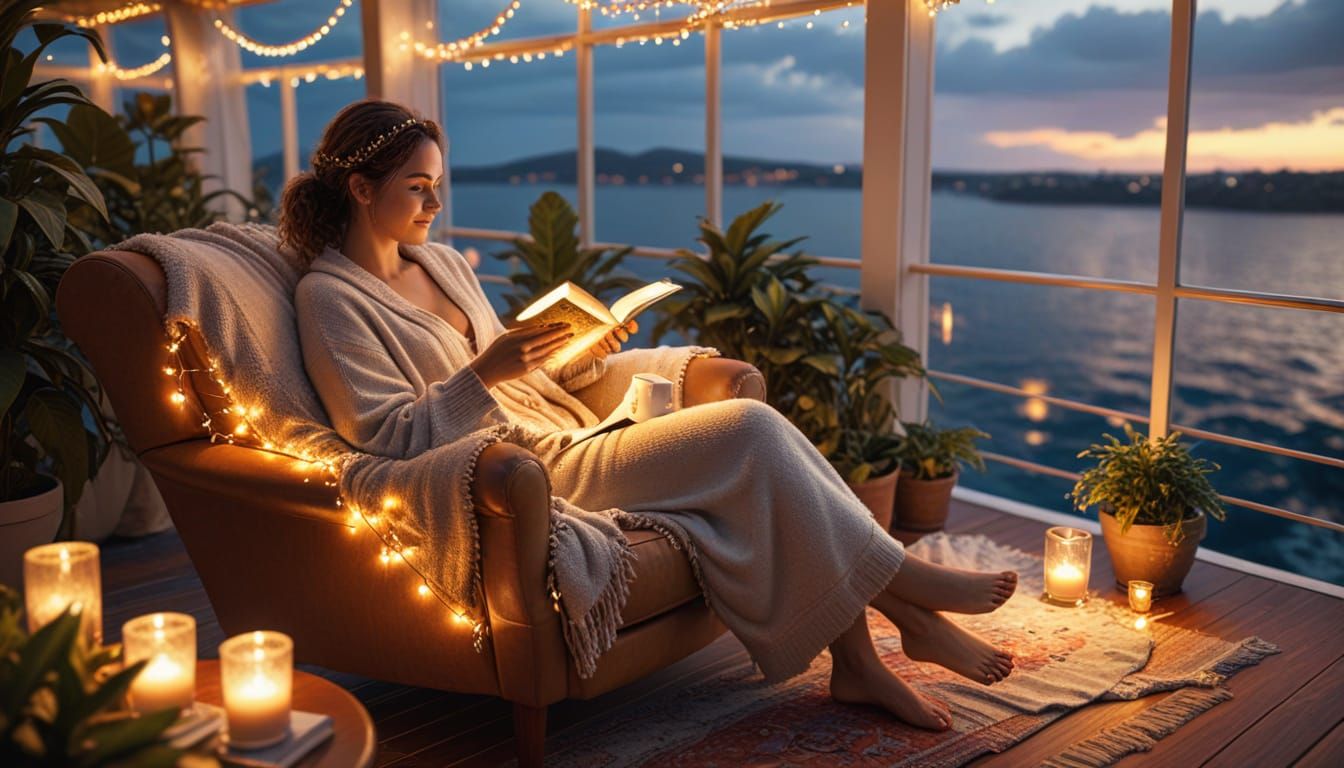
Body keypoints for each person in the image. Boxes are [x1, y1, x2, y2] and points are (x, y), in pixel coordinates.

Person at [282, 100, 1016, 731]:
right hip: (521, 469)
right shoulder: (329, 299)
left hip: (562, 426)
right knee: (753, 431)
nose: (435, 206)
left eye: (438, 186)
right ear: (358, 187)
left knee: (760, 456)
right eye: (417, 188)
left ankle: (860, 661)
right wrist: (485, 373)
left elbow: (517, 372)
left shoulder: (442, 264)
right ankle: (907, 593)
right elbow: (381, 438)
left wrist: (579, 351)